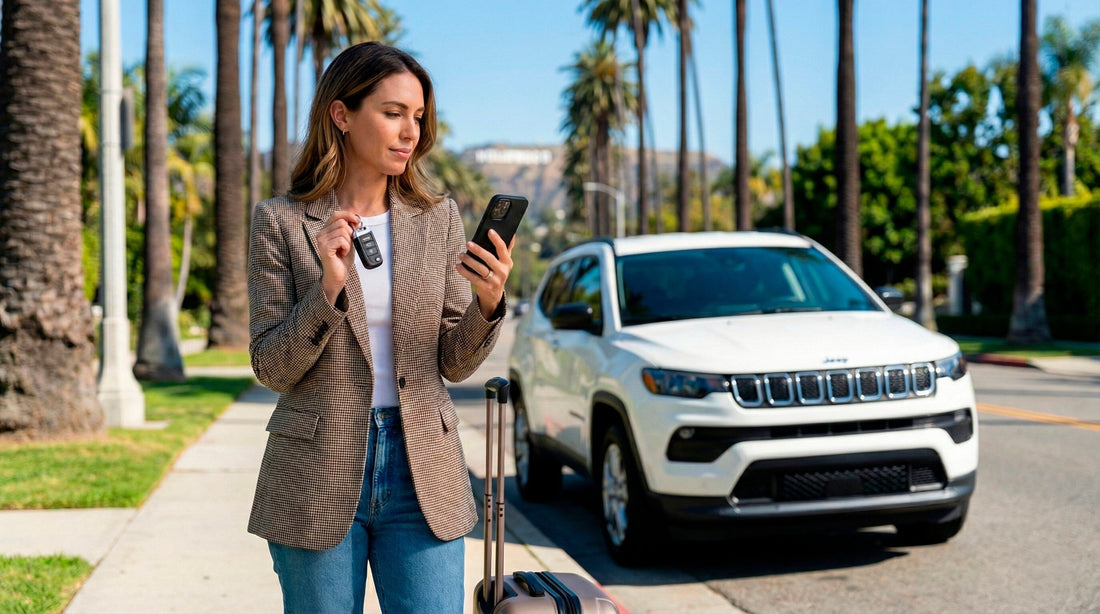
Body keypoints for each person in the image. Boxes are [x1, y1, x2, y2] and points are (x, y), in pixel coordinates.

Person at [246, 41, 512, 614]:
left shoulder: (436, 218)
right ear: (341, 115)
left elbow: (453, 361)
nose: (410, 132)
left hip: (424, 472)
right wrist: (327, 291)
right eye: (392, 113)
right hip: (315, 469)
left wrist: (487, 307)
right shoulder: (282, 222)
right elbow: (270, 367)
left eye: (417, 117)